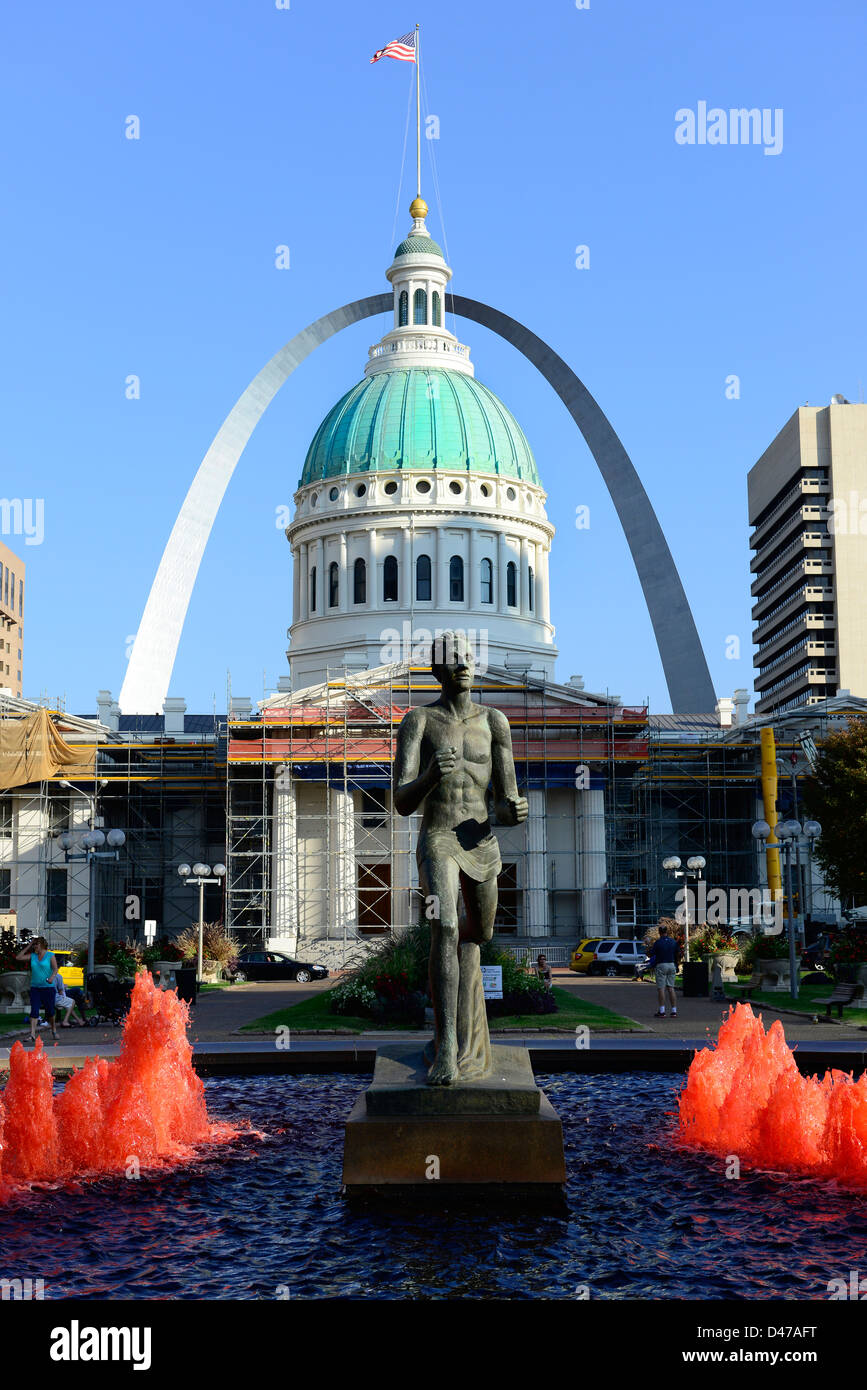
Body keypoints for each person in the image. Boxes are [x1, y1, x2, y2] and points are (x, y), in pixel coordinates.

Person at [394, 631, 528, 1086]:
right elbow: (400, 801)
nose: (465, 665)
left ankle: (461, 1002)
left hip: (481, 841)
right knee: (447, 926)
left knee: (479, 933)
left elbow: (507, 802)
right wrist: (431, 776)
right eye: (454, 660)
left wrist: (515, 811)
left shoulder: (495, 722)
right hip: (440, 837)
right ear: (437, 670)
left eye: (469, 657)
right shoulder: (419, 721)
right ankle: (448, 1047)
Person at [16, 936, 59, 1043]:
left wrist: (52, 978)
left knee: (50, 1012)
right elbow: (18, 957)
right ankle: (32, 1035)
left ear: (42, 944)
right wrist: (29, 945)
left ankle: (53, 1029)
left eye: (37, 944)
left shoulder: (50, 955)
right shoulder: (33, 956)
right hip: (35, 988)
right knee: (34, 1010)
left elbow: (55, 969)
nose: (35, 946)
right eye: (34, 944)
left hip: (48, 988)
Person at [648, 923, 681, 1019]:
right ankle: (674, 1011)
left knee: (661, 988)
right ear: (667, 931)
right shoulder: (673, 942)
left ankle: (662, 1011)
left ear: (659, 932)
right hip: (671, 964)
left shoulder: (658, 942)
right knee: (671, 988)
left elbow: (651, 954)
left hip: (661, 964)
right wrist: (677, 964)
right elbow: (678, 953)